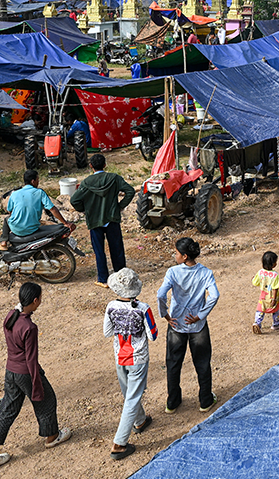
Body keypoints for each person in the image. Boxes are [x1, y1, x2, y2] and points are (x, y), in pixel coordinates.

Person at [0, 283, 72, 469]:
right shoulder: (30, 327)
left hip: (10, 371)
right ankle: (52, 437)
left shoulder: (11, 316)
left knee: (8, 409)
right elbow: (31, 359)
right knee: (46, 400)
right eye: (41, 299)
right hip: (26, 372)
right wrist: (36, 383)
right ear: (36, 300)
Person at [157, 237, 219, 413]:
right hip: (197, 326)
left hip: (176, 324)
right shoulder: (206, 273)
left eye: (176, 253)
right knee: (202, 363)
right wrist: (200, 315)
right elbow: (214, 295)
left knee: (173, 363)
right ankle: (205, 401)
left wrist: (165, 315)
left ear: (184, 256)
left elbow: (161, 295)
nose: (174, 255)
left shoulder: (173, 272)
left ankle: (173, 403)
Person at [103, 268, 158, 461]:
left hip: (120, 356)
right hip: (138, 357)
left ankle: (140, 420)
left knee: (129, 394)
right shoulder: (143, 308)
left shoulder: (110, 306)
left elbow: (107, 332)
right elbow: (153, 335)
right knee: (132, 398)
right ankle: (119, 444)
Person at [70, 154, 136, 289]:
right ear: (105, 165)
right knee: (117, 248)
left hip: (95, 221)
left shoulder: (86, 182)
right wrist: (120, 206)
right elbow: (130, 191)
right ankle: (121, 276)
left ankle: (103, 279)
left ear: (91, 166)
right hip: (112, 219)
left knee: (99, 251)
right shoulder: (114, 178)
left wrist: (85, 210)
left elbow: (74, 200)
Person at [0, 170, 72, 251]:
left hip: (16, 229)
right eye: (38, 180)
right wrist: (65, 222)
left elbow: (10, 211)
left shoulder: (14, 194)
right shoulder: (40, 192)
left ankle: (3, 241)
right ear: (33, 181)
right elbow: (52, 209)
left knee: (7, 219)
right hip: (32, 229)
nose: (38, 182)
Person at [252, 251, 279, 334]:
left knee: (260, 310)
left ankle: (257, 323)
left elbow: (255, 282)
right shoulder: (275, 275)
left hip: (263, 297)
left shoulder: (260, 273)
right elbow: (275, 288)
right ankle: (276, 323)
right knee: (276, 310)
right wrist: (273, 299)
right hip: (272, 297)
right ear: (273, 264)